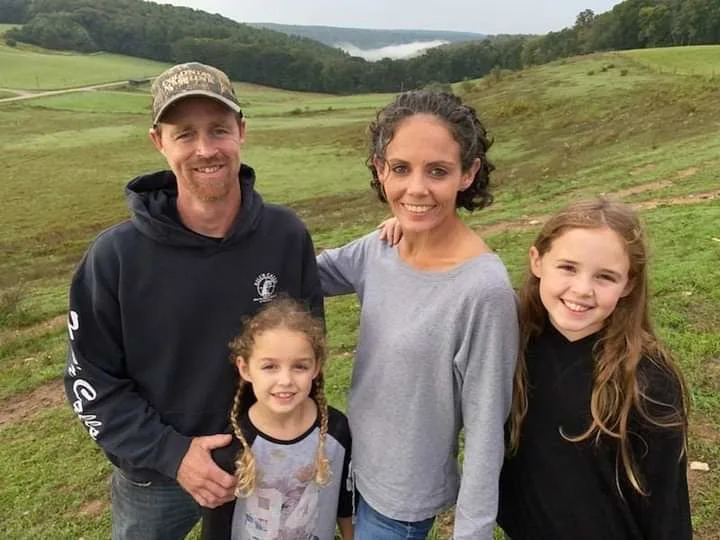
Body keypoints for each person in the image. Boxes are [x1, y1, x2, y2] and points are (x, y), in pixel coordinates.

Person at [63, 62, 323, 539]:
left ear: (241, 132)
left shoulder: (286, 237)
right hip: (156, 481)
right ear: (158, 141)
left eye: (218, 130)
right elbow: (90, 381)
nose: (205, 149)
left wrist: (298, 442)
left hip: (263, 464)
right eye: (185, 134)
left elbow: (311, 355)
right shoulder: (114, 258)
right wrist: (173, 454)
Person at [316, 90, 519, 539]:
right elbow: (307, 275)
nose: (417, 189)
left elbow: (487, 429)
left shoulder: (483, 290)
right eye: (401, 168)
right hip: (349, 466)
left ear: (469, 173)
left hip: (401, 500)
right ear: (379, 168)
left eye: (439, 171)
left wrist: (473, 532)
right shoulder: (380, 248)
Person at [498, 198, 691, 539]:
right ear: (537, 261)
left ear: (628, 284)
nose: (582, 290)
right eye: (568, 268)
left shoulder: (647, 378)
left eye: (605, 277)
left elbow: (668, 507)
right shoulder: (511, 339)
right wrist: (409, 235)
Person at [201, 297, 353, 539]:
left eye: (300, 366)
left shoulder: (336, 430)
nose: (285, 380)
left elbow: (346, 504)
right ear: (245, 369)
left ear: (316, 367)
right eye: (270, 366)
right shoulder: (231, 444)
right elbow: (216, 529)